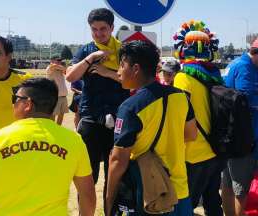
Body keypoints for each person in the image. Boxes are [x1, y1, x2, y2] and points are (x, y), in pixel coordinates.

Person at [0, 78, 96, 216]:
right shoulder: (73, 140)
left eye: (15, 99)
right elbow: (88, 195)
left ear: (28, 104)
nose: (12, 104)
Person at [105, 40, 197, 216]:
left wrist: (109, 201)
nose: (118, 72)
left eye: (121, 65)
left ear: (136, 68)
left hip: (148, 194)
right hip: (180, 191)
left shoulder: (130, 107)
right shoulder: (180, 97)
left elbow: (118, 160)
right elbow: (191, 134)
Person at [66, 8, 130, 204]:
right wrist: (91, 59)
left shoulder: (124, 51)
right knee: (87, 176)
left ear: (112, 28)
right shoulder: (86, 50)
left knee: (114, 177)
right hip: (90, 117)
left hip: (119, 119)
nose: (99, 34)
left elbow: (133, 81)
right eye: (94, 29)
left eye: (103, 29)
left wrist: (106, 72)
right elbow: (70, 76)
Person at [173, 20, 225, 215]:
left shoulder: (183, 77)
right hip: (216, 151)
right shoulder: (215, 75)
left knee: (187, 205)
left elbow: (179, 116)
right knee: (213, 203)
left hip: (193, 154)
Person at [221, 38, 258, 216]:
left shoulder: (235, 65)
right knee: (240, 191)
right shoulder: (245, 70)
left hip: (232, 137)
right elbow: (248, 103)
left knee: (228, 185)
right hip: (245, 140)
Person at [45, 56, 69, 125]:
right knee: (53, 115)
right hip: (55, 96)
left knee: (61, 115)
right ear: (52, 61)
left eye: (60, 60)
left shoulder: (60, 69)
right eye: (57, 60)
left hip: (63, 95)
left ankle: (58, 128)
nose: (59, 62)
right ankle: (52, 129)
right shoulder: (50, 68)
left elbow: (67, 71)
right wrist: (62, 67)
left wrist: (63, 68)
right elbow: (54, 66)